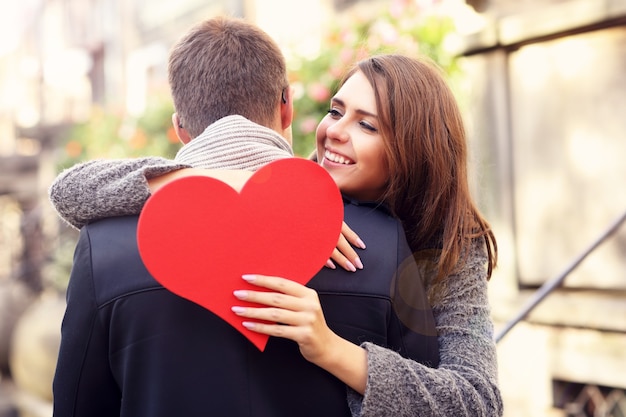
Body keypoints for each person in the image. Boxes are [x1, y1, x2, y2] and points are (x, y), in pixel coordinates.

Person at [51, 17, 441, 417]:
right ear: (287, 106)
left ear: (180, 128)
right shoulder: (380, 239)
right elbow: (429, 398)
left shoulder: (104, 248)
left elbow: (78, 405)